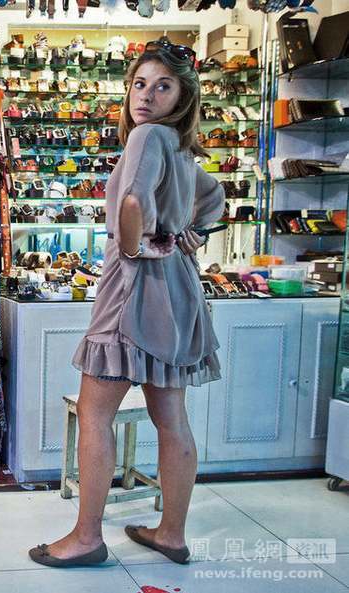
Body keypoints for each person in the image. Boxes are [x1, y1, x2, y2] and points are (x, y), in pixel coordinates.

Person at [28, 39, 225, 568]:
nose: (146, 95)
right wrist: (190, 235)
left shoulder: (146, 137)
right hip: (180, 291)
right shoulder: (183, 149)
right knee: (172, 417)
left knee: (95, 412)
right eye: (140, 83)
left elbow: (133, 200)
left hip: (134, 289)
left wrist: (136, 247)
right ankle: (171, 533)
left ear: (183, 95)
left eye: (163, 86)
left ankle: (87, 538)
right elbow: (214, 198)